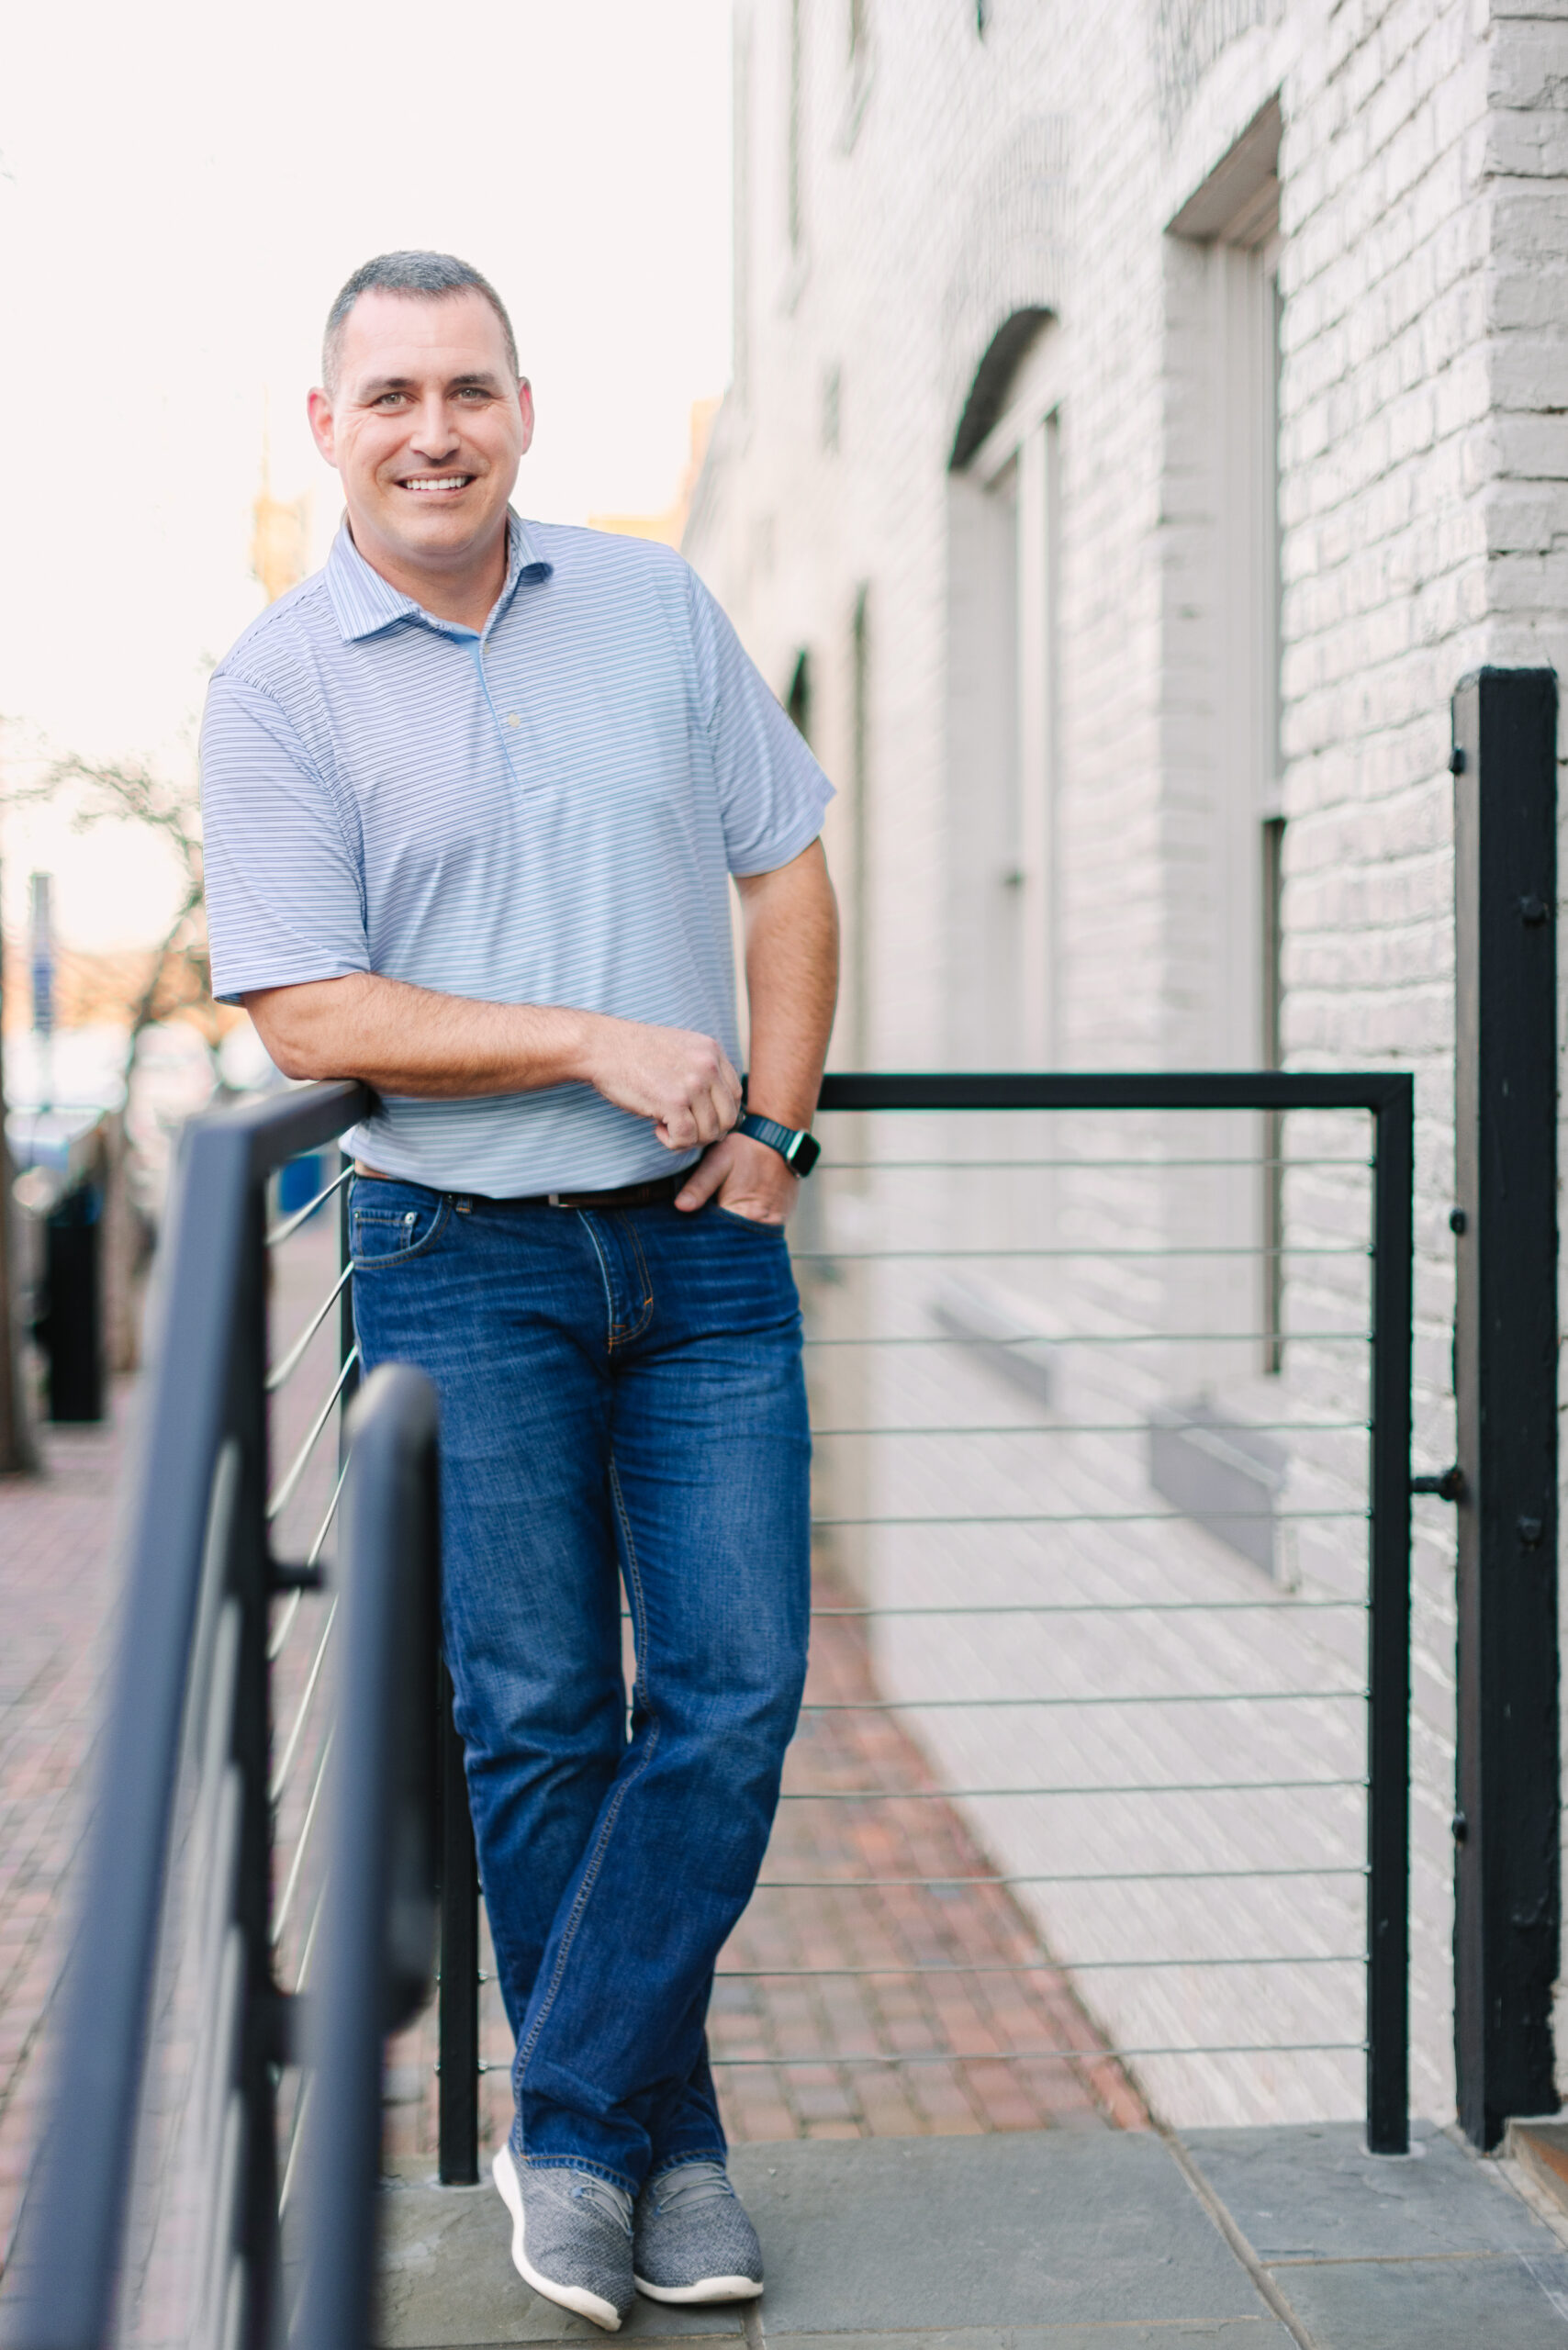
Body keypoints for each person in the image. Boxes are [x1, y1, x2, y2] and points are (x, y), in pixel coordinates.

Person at [201, 252, 838, 2332]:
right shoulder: (280, 682)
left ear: (522, 407)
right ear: (328, 427)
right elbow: (309, 1009)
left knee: (731, 1697)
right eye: (387, 394)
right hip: (459, 1258)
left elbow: (786, 861)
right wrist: (584, 1034)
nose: (432, 429)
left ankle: (568, 2123)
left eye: (466, 386)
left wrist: (783, 1125)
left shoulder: (649, 606)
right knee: (543, 1713)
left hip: (699, 1249)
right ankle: (672, 2153)